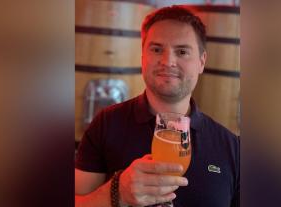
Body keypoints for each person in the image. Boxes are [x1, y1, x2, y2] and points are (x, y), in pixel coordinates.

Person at [75, 5, 239, 207]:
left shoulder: (232, 147)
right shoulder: (105, 124)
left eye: (182, 51)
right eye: (156, 49)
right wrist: (117, 193)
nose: (168, 61)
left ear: (201, 62)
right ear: (143, 57)